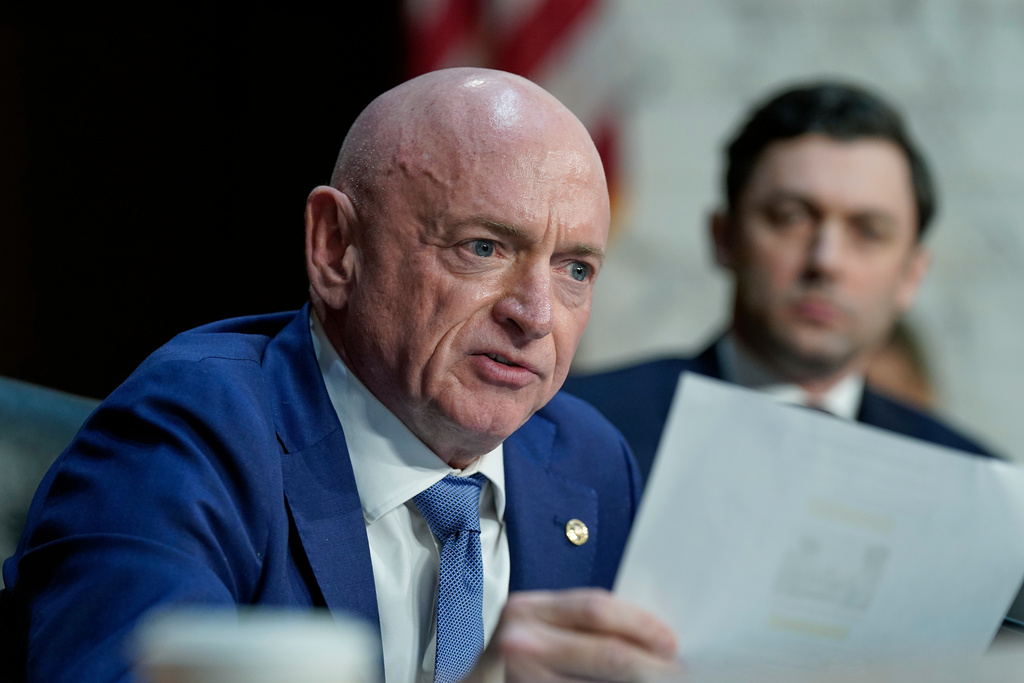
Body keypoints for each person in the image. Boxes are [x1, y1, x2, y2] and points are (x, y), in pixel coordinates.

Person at [0, 68, 677, 682]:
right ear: (336, 247)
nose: (535, 314)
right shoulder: (187, 434)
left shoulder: (588, 461)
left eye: (576, 270)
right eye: (484, 247)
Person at [564, 81, 995, 483]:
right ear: (724, 237)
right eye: (790, 218)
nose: (825, 261)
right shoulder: (575, 430)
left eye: (867, 231)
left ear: (911, 275)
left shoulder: (972, 485)